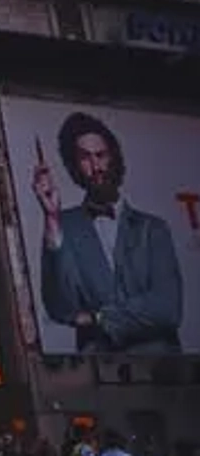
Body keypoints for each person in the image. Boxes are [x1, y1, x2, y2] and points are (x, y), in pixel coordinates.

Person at [32, 112, 183, 354]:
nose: (96, 167)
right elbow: (61, 308)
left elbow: (167, 309)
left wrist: (98, 318)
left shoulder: (153, 228)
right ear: (74, 166)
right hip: (100, 377)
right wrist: (51, 218)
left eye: (101, 155)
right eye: (85, 158)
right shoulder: (64, 226)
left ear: (114, 157)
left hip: (163, 375)